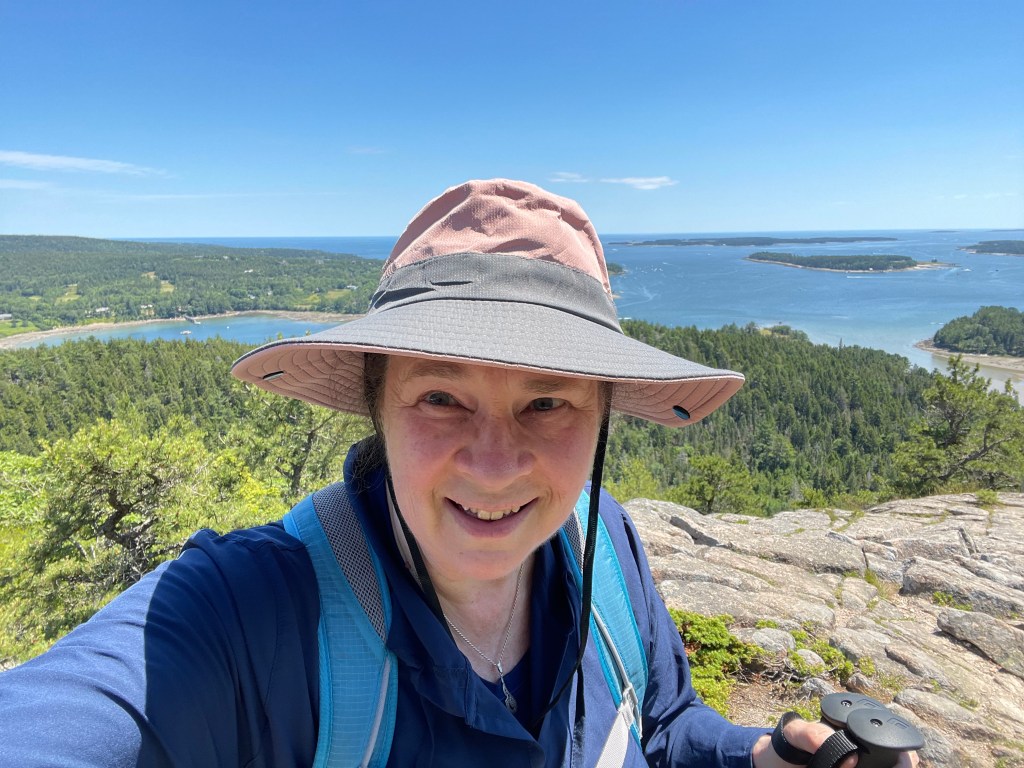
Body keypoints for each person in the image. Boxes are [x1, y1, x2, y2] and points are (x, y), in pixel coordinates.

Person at [0, 179, 917, 767]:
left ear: (602, 418)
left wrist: (755, 754)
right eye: (441, 397)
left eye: (547, 402)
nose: (494, 462)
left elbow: (660, 725)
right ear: (377, 406)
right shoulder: (249, 614)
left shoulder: (606, 550)